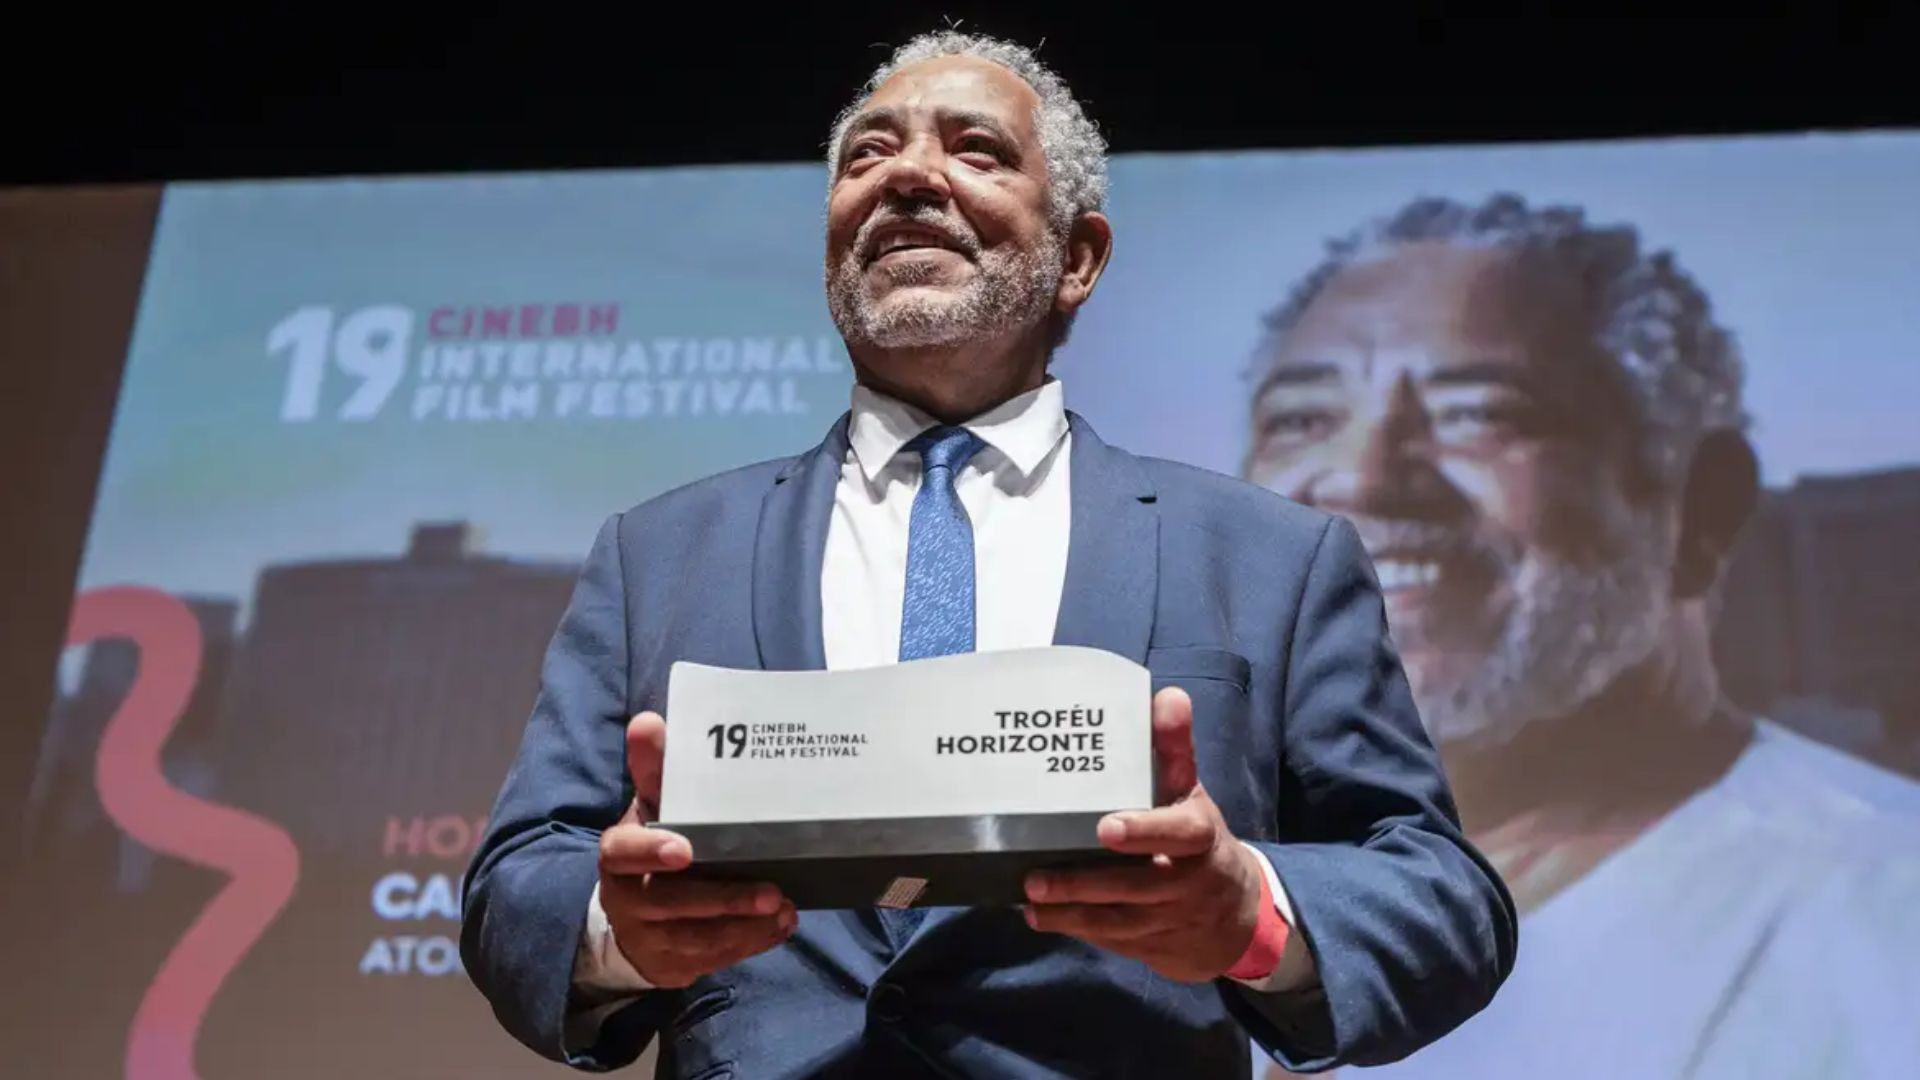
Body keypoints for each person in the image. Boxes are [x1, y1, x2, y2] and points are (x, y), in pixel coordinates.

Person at [464, 33, 1515, 1078]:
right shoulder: (658, 555)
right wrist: (615, 930)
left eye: (975, 149)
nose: (907, 176)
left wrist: (1249, 913)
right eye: (868, 154)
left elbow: (1441, 895)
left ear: (1079, 259)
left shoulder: (1273, 558)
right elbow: (517, 885)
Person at [1244, 194, 1920, 1078]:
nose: (1363, 478)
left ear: (1702, 510)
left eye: (1480, 413)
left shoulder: (1885, 913)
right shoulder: (1181, 894)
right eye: (1301, 419)